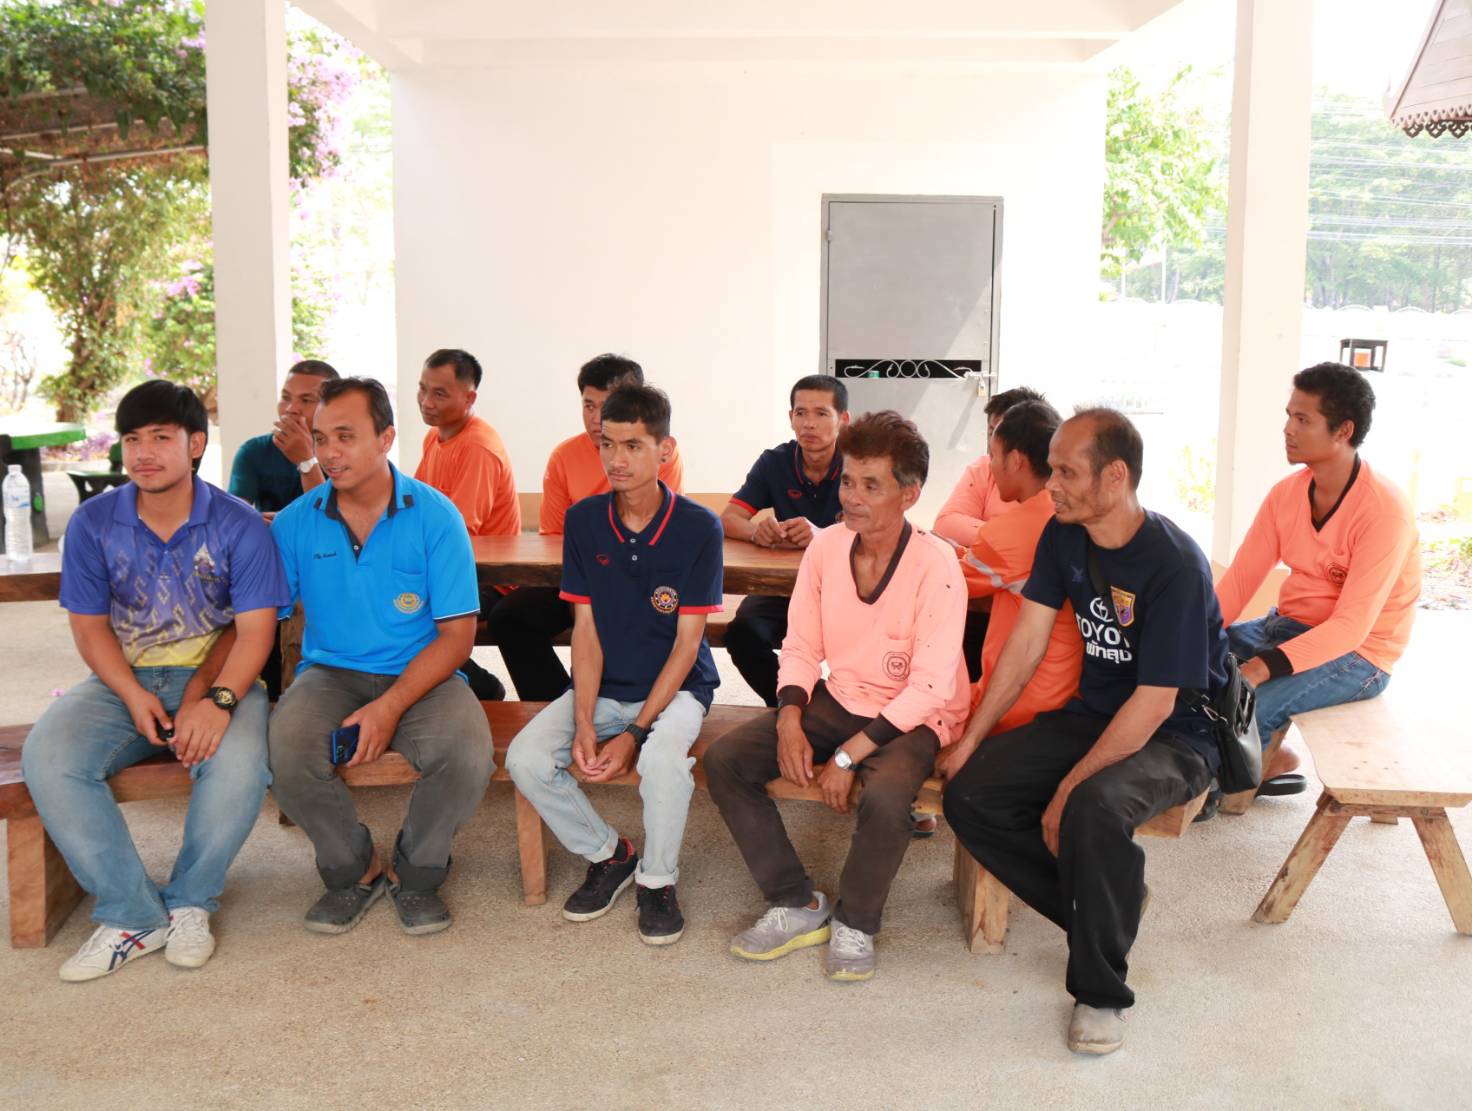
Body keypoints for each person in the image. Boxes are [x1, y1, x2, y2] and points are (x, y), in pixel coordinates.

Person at [942, 409, 1227, 1056]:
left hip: (1177, 733)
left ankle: (1101, 991)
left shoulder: (1176, 565)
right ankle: (1111, 902)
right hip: (1094, 714)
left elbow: (1155, 702)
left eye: (1067, 472)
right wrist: (972, 739)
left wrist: (1069, 788)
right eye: (1052, 470)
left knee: (1092, 807)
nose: (1053, 486)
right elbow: (1028, 641)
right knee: (970, 794)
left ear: (1115, 476)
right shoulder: (1063, 534)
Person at [23, 381, 288, 981]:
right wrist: (131, 693)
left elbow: (255, 634)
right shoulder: (94, 523)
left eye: (161, 438)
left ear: (195, 444)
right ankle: (132, 915)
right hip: (123, 679)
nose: (144, 453)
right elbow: (89, 628)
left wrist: (219, 701)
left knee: (241, 764)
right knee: (50, 757)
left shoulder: (239, 524)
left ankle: (191, 901)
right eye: (133, 439)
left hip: (218, 677)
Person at [706, 410, 969, 982]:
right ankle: (796, 901)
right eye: (848, 481)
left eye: (871, 485)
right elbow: (800, 644)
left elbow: (929, 687)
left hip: (915, 714)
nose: (852, 497)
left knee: (888, 798)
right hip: (844, 694)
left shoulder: (937, 564)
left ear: (909, 494)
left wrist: (848, 756)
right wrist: (789, 718)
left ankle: (857, 920)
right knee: (725, 760)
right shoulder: (825, 548)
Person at [268, 377, 494, 937]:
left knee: (467, 754)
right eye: (321, 438)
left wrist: (388, 707)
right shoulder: (296, 521)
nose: (329, 452)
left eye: (345, 436)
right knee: (284, 749)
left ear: (386, 438)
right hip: (330, 672)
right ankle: (354, 868)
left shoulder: (436, 516)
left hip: (425, 670)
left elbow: (456, 637)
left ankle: (417, 873)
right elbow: (263, 616)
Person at [505, 384, 721, 946]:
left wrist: (636, 733)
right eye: (607, 444)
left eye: (632, 445)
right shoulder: (584, 521)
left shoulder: (699, 527)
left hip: (677, 690)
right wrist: (583, 720)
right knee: (526, 758)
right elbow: (585, 631)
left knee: (663, 763)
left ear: (664, 450)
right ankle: (609, 853)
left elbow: (687, 645)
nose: (616, 459)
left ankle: (658, 879)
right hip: (605, 685)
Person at [1216, 363, 1421, 792]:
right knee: (1187, 668)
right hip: (1286, 626)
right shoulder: (1286, 494)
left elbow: (1350, 627)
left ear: (1343, 431)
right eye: (1289, 416)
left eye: (1303, 419)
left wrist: (1261, 667)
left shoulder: (1384, 511)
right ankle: (1269, 761)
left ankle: (1221, 783)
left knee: (1248, 703)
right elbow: (1238, 582)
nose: (1288, 429)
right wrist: (1193, 636)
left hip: (1359, 652)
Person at [486, 353, 683, 700]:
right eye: (588, 405)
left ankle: (609, 700)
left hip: (638, 578)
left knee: (611, 621)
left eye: (606, 406)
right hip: (577, 576)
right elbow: (553, 538)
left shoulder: (658, 452)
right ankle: (556, 702)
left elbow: (655, 532)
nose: (595, 417)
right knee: (510, 616)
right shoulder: (564, 456)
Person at [950, 399, 1082, 736]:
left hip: (1016, 703)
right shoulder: (1070, 514)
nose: (990, 466)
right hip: (1069, 694)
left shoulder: (1010, 532)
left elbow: (946, 582)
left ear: (1015, 460)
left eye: (993, 455)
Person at [720, 374, 849, 707]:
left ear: (843, 420)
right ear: (791, 418)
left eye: (821, 413)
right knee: (743, 634)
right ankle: (794, 706)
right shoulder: (775, 462)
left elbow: (881, 529)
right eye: (800, 413)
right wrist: (756, 531)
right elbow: (729, 518)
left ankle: (844, 708)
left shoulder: (859, 464)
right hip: (786, 587)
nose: (809, 423)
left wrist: (821, 536)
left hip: (850, 587)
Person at [413, 347, 519, 701]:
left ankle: (481, 687)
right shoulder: (435, 436)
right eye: (422, 388)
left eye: (439, 394)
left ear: (469, 398)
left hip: (488, 577)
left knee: (408, 612)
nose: (426, 401)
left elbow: (458, 532)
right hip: (451, 565)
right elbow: (417, 508)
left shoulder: (477, 447)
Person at [932, 385, 1047, 683]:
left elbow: (943, 580)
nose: (988, 460)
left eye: (996, 449)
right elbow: (947, 523)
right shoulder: (1053, 508)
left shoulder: (1016, 532)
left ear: (1016, 457)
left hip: (1023, 685)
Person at [227, 359, 338, 514]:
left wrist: (306, 462)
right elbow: (233, 518)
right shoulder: (254, 451)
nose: (291, 409)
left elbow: (329, 519)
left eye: (306, 400)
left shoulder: (344, 454)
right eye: (286, 397)